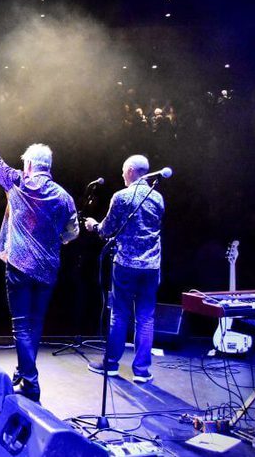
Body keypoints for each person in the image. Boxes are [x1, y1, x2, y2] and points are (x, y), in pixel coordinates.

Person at [0, 120, 79, 402]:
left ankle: (31, 385)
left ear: (30, 164)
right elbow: (72, 232)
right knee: (35, 324)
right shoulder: (64, 197)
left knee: (21, 326)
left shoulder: (17, 182)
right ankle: (23, 372)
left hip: (20, 267)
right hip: (47, 270)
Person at [84, 154, 164, 383]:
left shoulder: (122, 197)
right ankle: (141, 371)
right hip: (151, 266)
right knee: (146, 318)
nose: (121, 176)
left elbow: (107, 229)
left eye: (122, 171)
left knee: (119, 315)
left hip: (126, 264)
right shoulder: (158, 198)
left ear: (130, 171)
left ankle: (110, 365)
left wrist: (93, 226)